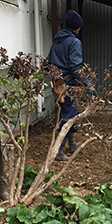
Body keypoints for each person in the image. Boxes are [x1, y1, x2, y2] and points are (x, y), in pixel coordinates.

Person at [46, 10, 95, 161]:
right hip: (69, 85)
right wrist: (88, 85)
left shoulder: (57, 40)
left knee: (69, 113)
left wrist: (56, 80)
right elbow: (76, 67)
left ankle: (72, 143)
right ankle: (59, 152)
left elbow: (47, 63)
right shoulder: (74, 42)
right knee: (68, 117)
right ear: (77, 27)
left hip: (58, 85)